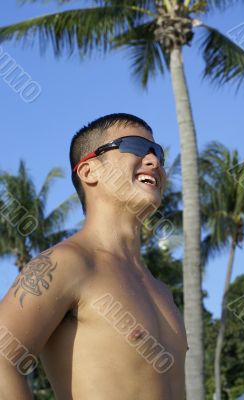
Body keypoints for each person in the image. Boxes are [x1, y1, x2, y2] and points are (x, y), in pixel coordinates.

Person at [0, 113, 188, 400]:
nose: (154, 161)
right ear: (89, 171)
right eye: (136, 146)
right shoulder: (66, 263)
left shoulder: (160, 290)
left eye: (157, 152)